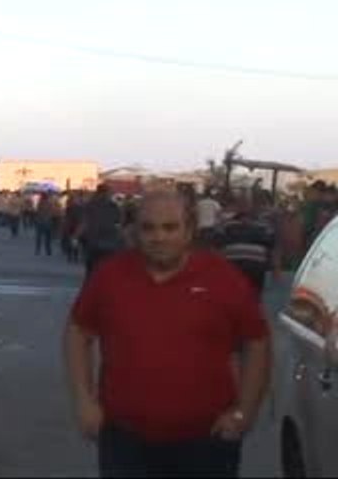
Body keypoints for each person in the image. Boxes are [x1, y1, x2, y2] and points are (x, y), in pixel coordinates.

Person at [63, 189, 271, 477]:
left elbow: (257, 341)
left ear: (189, 230)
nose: (158, 237)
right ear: (134, 231)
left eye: (170, 227)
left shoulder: (223, 278)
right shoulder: (110, 276)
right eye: (148, 228)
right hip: (125, 441)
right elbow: (78, 331)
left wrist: (243, 411)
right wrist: (84, 400)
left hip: (207, 442)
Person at [78, 184, 124, 278]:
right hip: (109, 243)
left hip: (95, 243)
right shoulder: (113, 206)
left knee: (92, 271)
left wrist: (75, 236)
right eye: (109, 193)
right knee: (106, 271)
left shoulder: (90, 205)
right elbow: (119, 224)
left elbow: (85, 223)